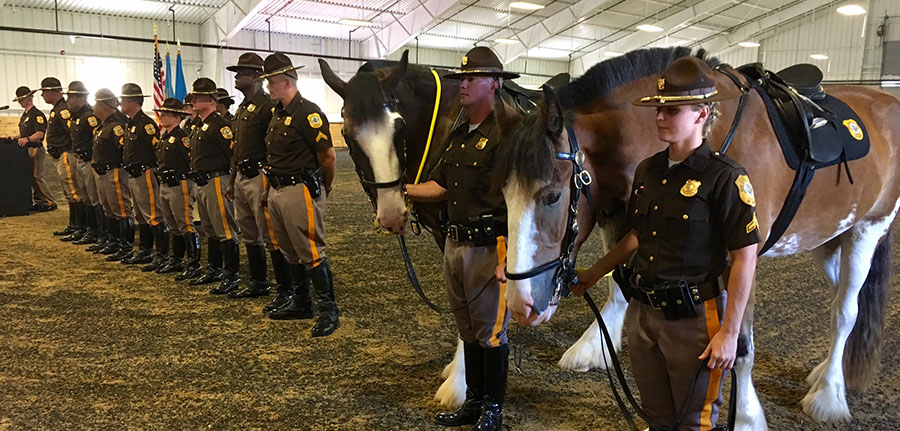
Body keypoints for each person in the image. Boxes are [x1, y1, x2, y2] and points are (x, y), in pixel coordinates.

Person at [572, 56, 760, 431]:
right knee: (656, 418)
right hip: (644, 315)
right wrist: (594, 273)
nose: (660, 117)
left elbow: (745, 258)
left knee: (694, 422)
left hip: (695, 320)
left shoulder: (726, 179)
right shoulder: (648, 171)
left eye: (672, 110)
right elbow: (637, 236)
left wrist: (729, 332)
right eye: (659, 109)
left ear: (702, 114)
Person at [406, 46, 518, 431]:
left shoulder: (509, 134)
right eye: (462, 78)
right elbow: (440, 186)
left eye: (471, 79)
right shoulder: (458, 133)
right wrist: (401, 193)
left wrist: (513, 256)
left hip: (491, 246)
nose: (463, 85)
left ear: (495, 84)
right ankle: (473, 401)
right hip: (455, 244)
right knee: (468, 328)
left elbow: (524, 202)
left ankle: (493, 410)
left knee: (490, 333)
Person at [260, 52, 339, 336]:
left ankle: (329, 310)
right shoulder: (278, 114)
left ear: (285, 81)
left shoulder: (308, 112)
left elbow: (327, 157)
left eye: (270, 82)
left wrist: (324, 189)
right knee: (289, 251)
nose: (268, 87)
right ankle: (302, 303)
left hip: (299, 189)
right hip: (278, 189)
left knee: (310, 250)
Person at [223, 52, 287, 300]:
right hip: (241, 176)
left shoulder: (267, 106)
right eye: (237, 74)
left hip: (260, 174)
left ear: (257, 76)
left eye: (242, 73)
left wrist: (270, 183)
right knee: (248, 231)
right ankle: (258, 281)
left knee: (271, 234)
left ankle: (285, 289)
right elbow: (237, 148)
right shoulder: (243, 107)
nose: (237, 78)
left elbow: (273, 146)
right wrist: (232, 181)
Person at [186, 77, 240, 294]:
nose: (193, 101)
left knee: (225, 229)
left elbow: (232, 154)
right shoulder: (200, 125)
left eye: (198, 98)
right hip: (202, 181)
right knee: (210, 229)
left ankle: (231, 275)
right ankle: (215, 269)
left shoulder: (219, 125)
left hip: (217, 179)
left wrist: (232, 183)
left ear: (211, 101)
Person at [117, 83, 166, 266]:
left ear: (132, 101)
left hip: (145, 172)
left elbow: (156, 150)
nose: (120, 103)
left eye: (123, 100)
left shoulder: (146, 124)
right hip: (134, 174)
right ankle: (145, 250)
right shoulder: (130, 123)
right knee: (140, 214)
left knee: (153, 214)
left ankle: (161, 254)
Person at [152, 98, 200, 278]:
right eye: (162, 113)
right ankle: (177, 259)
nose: (162, 116)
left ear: (177, 117)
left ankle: (193, 263)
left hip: (179, 183)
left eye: (166, 114)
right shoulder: (165, 136)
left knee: (184, 223)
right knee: (172, 224)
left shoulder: (182, 138)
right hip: (165, 183)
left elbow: (190, 160)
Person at [90, 88, 134, 260]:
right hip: (103, 172)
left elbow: (124, 149)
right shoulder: (104, 126)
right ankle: (113, 241)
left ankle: (126, 246)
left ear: (105, 106)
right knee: (109, 209)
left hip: (114, 171)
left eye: (96, 103)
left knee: (121, 209)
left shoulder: (116, 126)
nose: (93, 107)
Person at [41, 77, 86, 239]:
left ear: (53, 91)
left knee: (74, 191)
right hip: (60, 155)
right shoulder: (58, 109)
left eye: (44, 92)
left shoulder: (62, 110)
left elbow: (73, 132)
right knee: (69, 192)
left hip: (66, 154)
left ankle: (79, 227)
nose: (43, 96)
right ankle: (74, 225)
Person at [64, 81, 103, 245]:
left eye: (71, 97)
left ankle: (98, 232)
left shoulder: (89, 116)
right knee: (84, 196)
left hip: (88, 160)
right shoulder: (76, 116)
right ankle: (88, 228)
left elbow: (97, 138)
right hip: (79, 159)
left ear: (81, 97)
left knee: (94, 197)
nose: (68, 100)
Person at [9, 85, 56, 212]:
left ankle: (49, 201)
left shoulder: (37, 114)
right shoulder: (26, 115)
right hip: (27, 149)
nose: (19, 102)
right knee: (31, 175)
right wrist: (15, 138)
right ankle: (40, 201)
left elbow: (39, 133)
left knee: (36, 176)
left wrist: (27, 139)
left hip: (35, 148)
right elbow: (25, 133)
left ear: (29, 99)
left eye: (21, 99)